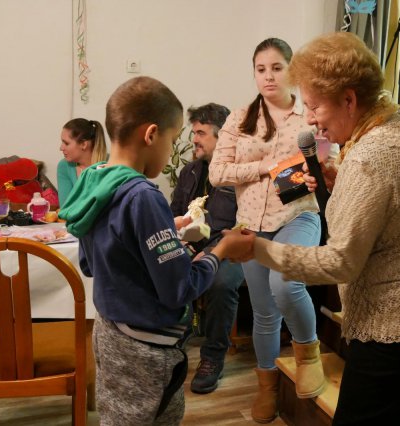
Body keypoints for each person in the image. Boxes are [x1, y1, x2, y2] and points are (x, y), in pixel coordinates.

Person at [226, 32, 400, 425]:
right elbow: (395, 205)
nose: (309, 119)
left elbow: (339, 262)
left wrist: (256, 249)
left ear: (348, 99)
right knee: (399, 411)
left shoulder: (371, 158)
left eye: (314, 106)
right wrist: (342, 180)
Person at [58, 76, 249, 425]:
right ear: (151, 135)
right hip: (147, 349)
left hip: (111, 333)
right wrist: (221, 249)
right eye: (172, 140)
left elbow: (92, 263)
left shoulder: (93, 180)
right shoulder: (143, 197)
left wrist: (163, 229)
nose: (173, 149)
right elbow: (180, 288)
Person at [209, 38, 327, 423]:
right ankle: (268, 387)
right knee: (263, 312)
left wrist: (312, 172)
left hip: (298, 215)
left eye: (277, 68)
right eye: (261, 69)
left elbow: (328, 162)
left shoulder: (309, 116)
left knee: (286, 285)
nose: (269, 76)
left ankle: (308, 355)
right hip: (251, 227)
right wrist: (265, 168)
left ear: (291, 70)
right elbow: (217, 173)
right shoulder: (240, 118)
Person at [169, 103, 245, 394]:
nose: (194, 139)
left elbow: (245, 223)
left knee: (220, 282)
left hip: (233, 248)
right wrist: (175, 238)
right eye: (194, 132)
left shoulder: (239, 173)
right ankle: (172, 342)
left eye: (200, 133)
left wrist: (213, 250)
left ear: (221, 136)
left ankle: (212, 358)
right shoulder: (190, 171)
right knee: (162, 265)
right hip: (192, 245)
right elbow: (174, 212)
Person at [57, 118, 107, 206]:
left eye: (66, 143)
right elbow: (65, 207)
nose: (61, 148)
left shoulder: (111, 164)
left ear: (83, 144)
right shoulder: (64, 166)